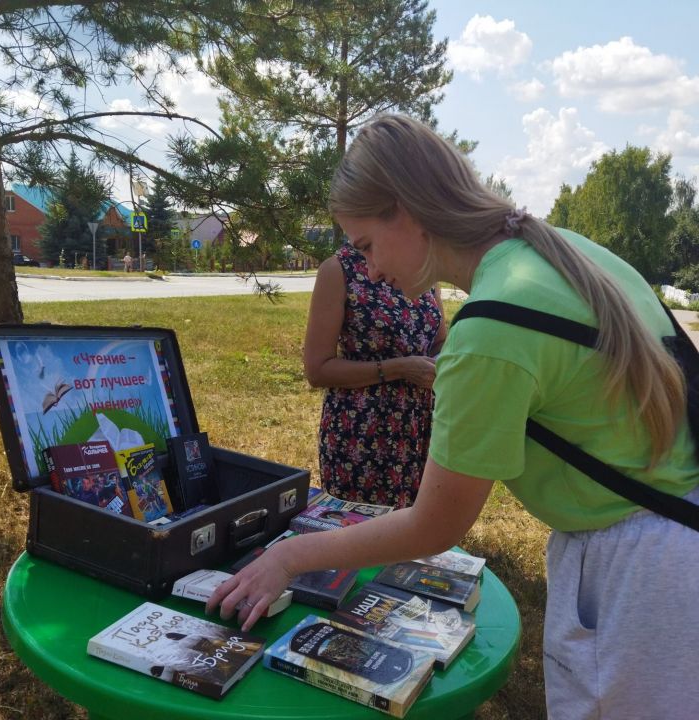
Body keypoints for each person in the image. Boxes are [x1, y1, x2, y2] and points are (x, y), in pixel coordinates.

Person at [207, 114, 699, 719]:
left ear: (408, 212)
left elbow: (435, 525)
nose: (374, 270)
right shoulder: (564, 251)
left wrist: (285, 557)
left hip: (640, 576)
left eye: (367, 246)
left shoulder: (492, 325)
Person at [304, 240, 446, 508]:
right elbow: (317, 369)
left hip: (417, 425)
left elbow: (439, 341)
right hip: (362, 431)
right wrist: (399, 368)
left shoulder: (421, 267)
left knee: (411, 530)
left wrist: (446, 360)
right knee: (360, 532)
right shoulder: (338, 269)